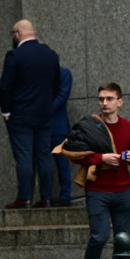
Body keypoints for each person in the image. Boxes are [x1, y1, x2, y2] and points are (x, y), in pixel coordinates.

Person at [72, 83, 130, 259]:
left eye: (109, 98)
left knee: (123, 239)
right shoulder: (91, 125)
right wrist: (100, 158)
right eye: (101, 98)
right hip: (97, 191)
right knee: (99, 236)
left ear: (120, 101)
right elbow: (76, 153)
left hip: (123, 191)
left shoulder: (128, 126)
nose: (104, 103)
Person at [0, 20, 61, 208]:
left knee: (24, 156)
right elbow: (56, 85)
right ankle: (47, 197)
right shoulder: (50, 55)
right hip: (44, 114)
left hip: (20, 114)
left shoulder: (14, 55)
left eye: (12, 33)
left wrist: (6, 110)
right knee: (44, 155)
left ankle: (25, 198)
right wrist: (47, 104)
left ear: (18, 33)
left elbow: (5, 86)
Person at [51, 66, 73, 207]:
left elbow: (62, 97)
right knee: (44, 164)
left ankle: (65, 196)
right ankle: (46, 196)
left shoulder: (63, 73)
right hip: (41, 128)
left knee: (62, 163)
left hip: (58, 126)